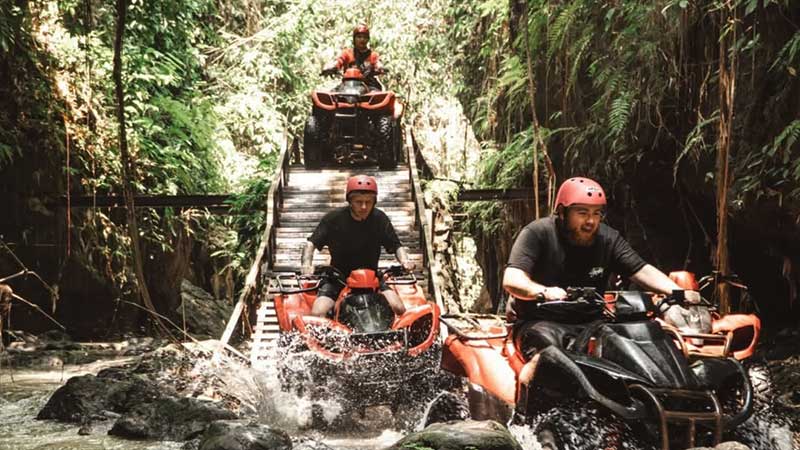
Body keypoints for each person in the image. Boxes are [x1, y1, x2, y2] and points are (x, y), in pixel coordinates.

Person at [502, 177, 700, 360]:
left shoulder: (608, 238)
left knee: (644, 345)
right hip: (541, 322)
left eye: (596, 213)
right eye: (582, 213)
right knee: (553, 357)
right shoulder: (537, 233)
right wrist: (543, 292)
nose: (590, 221)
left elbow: (641, 270)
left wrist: (680, 293)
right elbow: (512, 279)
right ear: (562, 212)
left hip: (594, 322)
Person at [301, 174, 415, 318]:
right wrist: (306, 265)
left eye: (368, 202)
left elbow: (396, 245)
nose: (363, 206)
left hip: (371, 277)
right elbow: (311, 243)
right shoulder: (334, 219)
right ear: (350, 201)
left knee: (398, 307)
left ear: (374, 201)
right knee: (318, 312)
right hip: (338, 277)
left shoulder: (379, 219)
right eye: (358, 201)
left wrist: (405, 261)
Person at [321, 24, 384, 91]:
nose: (362, 39)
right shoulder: (347, 53)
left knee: (377, 96)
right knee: (331, 96)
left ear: (368, 39)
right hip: (348, 85)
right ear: (354, 39)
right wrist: (331, 67)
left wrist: (380, 68)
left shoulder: (373, 55)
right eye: (359, 37)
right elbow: (339, 61)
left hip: (368, 85)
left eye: (365, 37)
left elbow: (378, 63)